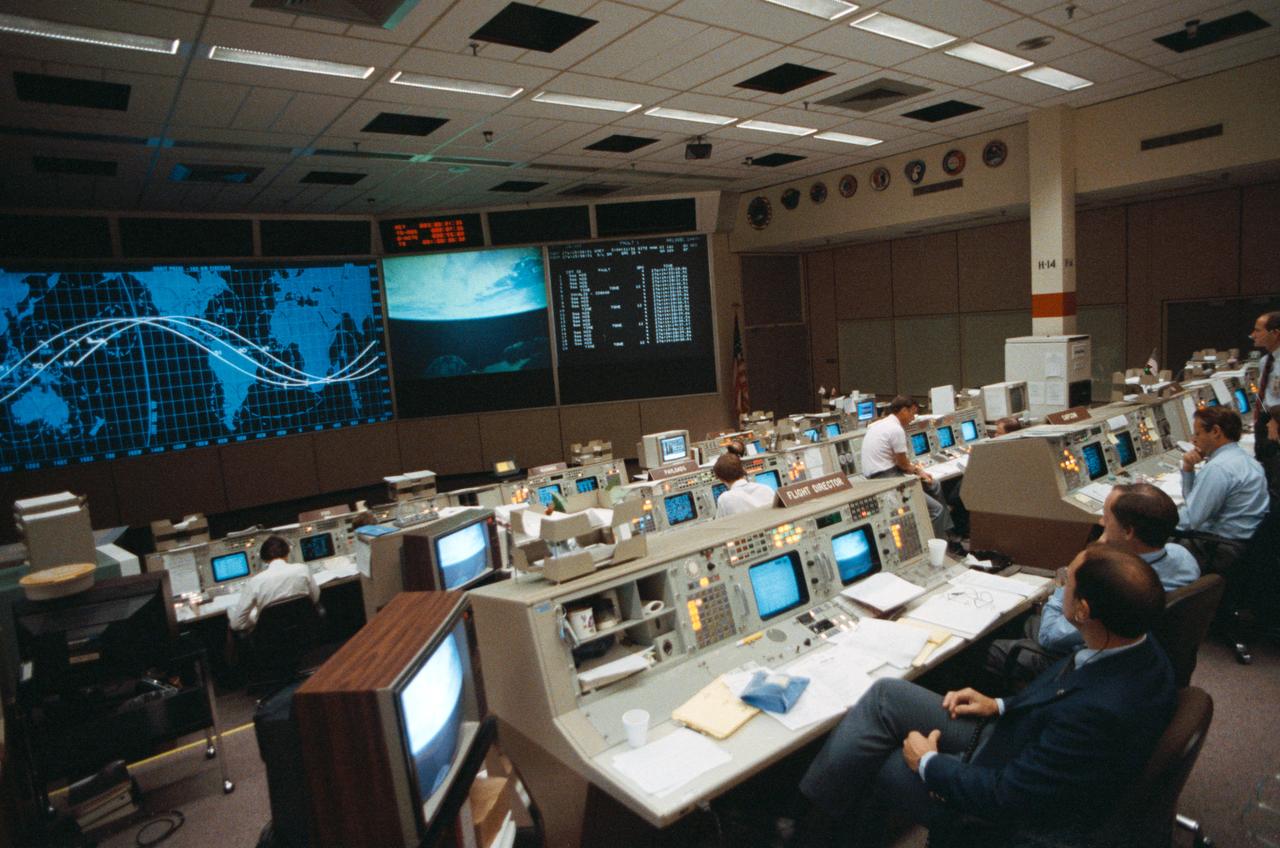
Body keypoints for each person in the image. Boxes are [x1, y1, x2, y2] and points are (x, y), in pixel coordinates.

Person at [796, 544, 1175, 848]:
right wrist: (998, 704)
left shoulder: (1096, 712)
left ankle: (816, 833)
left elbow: (1005, 797)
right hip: (1019, 737)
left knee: (881, 763)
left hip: (1007, 809)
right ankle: (809, 815)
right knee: (884, 695)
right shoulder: (1134, 642)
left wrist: (927, 762)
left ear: (1083, 610)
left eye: (1066, 583)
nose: (1060, 586)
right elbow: (1061, 691)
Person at [987, 483, 1199, 682]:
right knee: (1024, 621)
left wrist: (1075, 574)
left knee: (994, 645)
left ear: (1128, 532)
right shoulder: (1182, 555)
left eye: (1106, 519)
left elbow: (1049, 636)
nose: (1100, 523)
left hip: (1092, 666)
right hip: (1145, 658)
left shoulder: (1116, 587)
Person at [1178, 405, 1269, 571]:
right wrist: (1188, 470)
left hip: (1221, 549)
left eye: (1197, 433)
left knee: (1151, 549)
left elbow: (1190, 520)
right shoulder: (1246, 459)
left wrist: (1152, 523)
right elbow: (1194, 504)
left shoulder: (1218, 469)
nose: (1193, 440)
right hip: (1247, 545)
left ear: (1215, 431)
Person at [861, 395, 947, 538]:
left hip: (880, 476)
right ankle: (938, 546)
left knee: (934, 484)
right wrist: (919, 470)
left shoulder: (880, 425)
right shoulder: (896, 429)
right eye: (912, 413)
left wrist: (917, 471)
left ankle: (946, 532)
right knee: (936, 510)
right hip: (887, 479)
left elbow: (900, 464)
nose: (913, 418)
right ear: (903, 411)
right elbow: (903, 464)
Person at [229, 535, 321, 633]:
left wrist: (257, 620)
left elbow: (237, 624)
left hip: (270, 639)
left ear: (264, 559)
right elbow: (315, 598)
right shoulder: (303, 569)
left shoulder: (255, 582)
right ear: (287, 553)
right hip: (305, 632)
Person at [1250, 310, 1280, 452]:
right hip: (1265, 422)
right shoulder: (1265, 362)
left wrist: (1276, 421)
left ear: (1275, 333)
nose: (1253, 335)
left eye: (1258, 331)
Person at [713, 452, 776, 518]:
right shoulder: (766, 489)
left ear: (721, 479)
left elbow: (719, 524)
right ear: (743, 470)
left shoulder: (724, 499)